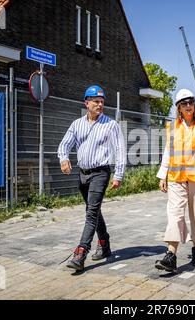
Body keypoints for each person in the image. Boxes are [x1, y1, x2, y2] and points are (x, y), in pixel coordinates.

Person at [58, 85, 126, 272]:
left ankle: (81, 252)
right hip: (83, 174)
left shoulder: (111, 125)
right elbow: (64, 145)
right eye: (96, 101)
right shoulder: (76, 124)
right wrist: (64, 159)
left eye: (102, 102)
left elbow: (120, 151)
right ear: (86, 103)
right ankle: (104, 243)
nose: (100, 104)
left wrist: (118, 174)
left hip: (101, 173)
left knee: (91, 212)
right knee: (93, 210)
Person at [155, 89, 195, 272]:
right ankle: (171, 255)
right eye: (184, 104)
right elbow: (168, 152)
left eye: (190, 102)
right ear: (178, 108)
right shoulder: (172, 127)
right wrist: (163, 175)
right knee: (174, 214)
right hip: (177, 177)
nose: (188, 106)